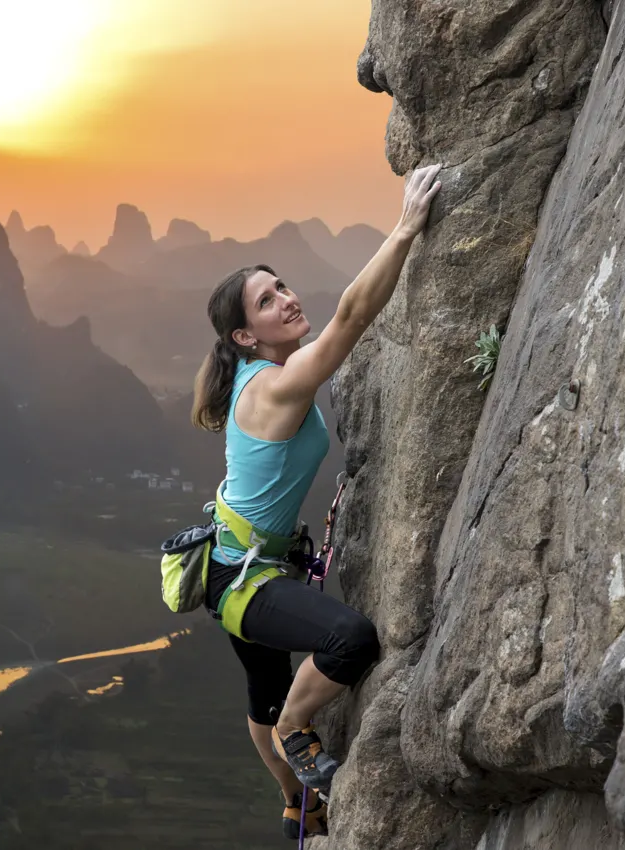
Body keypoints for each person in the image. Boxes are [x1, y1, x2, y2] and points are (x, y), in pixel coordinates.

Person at [190, 163, 443, 838]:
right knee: (349, 641)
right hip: (245, 582)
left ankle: (293, 800)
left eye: (282, 287)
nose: (288, 301)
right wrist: (408, 227)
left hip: (232, 562)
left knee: (261, 693)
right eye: (267, 303)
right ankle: (298, 735)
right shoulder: (274, 384)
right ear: (246, 336)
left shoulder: (256, 372)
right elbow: (353, 316)